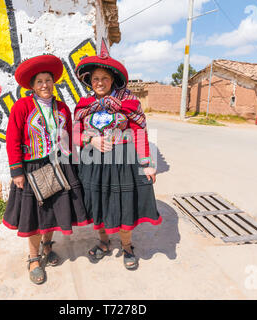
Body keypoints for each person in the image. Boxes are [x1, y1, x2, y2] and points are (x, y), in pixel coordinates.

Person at [3, 54, 90, 284]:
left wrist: (76, 159)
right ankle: (33, 258)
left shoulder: (62, 108)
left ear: (54, 83)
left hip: (59, 164)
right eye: (40, 81)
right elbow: (12, 139)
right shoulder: (22, 106)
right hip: (33, 166)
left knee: (52, 210)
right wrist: (16, 171)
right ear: (32, 86)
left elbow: (69, 135)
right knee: (32, 215)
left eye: (48, 80)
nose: (45, 85)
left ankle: (48, 246)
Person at [72, 51, 162, 270]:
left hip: (123, 162)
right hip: (93, 163)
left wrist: (147, 162)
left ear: (112, 80)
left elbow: (139, 132)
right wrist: (90, 139)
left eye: (104, 78)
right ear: (89, 82)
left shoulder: (129, 103)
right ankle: (103, 242)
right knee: (98, 203)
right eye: (95, 79)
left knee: (124, 204)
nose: (100, 82)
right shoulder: (83, 105)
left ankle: (127, 246)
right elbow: (73, 133)